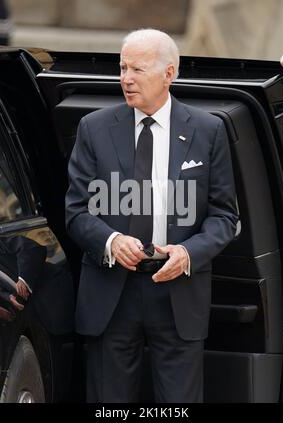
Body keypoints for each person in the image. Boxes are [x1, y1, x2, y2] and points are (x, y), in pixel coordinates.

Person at [66, 28, 238, 403]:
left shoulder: (208, 131)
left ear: (169, 73)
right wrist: (111, 241)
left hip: (178, 290)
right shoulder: (93, 128)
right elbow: (76, 211)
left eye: (137, 69)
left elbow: (224, 217)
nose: (126, 79)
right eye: (122, 68)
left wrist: (188, 252)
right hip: (111, 292)